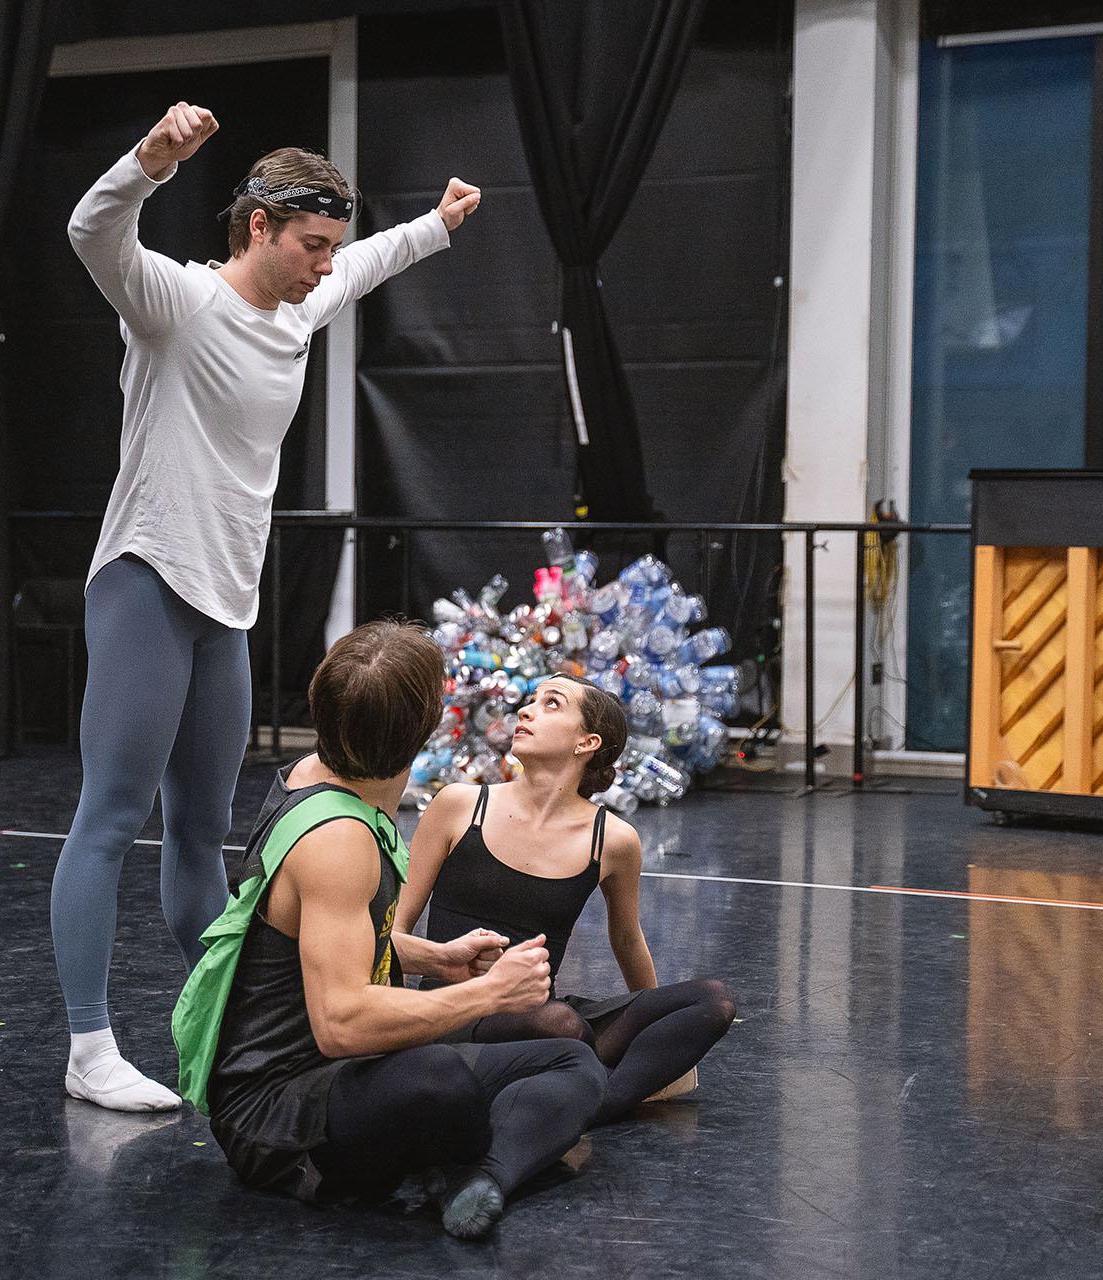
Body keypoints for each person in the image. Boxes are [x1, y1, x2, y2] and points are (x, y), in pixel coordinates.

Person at [49, 101, 482, 1111]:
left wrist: (437, 226)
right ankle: (87, 1045)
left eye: (331, 244)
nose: (327, 263)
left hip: (225, 606)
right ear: (258, 227)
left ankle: (231, 1013)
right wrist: (147, 163)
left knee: (203, 830)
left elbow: (371, 262)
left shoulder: (298, 306)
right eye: (311, 244)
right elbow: (91, 233)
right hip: (147, 580)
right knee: (110, 818)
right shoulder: (173, 302)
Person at [179, 620, 607, 1240]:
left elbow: (325, 940)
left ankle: (480, 1177)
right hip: (276, 1118)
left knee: (574, 1062)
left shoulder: (324, 774)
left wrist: (436, 958)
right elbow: (341, 1022)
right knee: (443, 1083)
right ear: (424, 729)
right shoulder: (338, 842)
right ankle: (471, 1166)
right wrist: (488, 993)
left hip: (341, 1072)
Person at [399, 675, 736, 1124]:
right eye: (531, 700)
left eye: (551, 704)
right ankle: (583, 1091)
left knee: (715, 1001)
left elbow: (628, 939)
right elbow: (391, 932)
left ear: (587, 742)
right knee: (562, 1026)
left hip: (540, 1012)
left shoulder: (613, 839)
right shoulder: (459, 804)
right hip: (457, 1012)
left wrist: (648, 1026)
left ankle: (592, 1103)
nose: (526, 710)